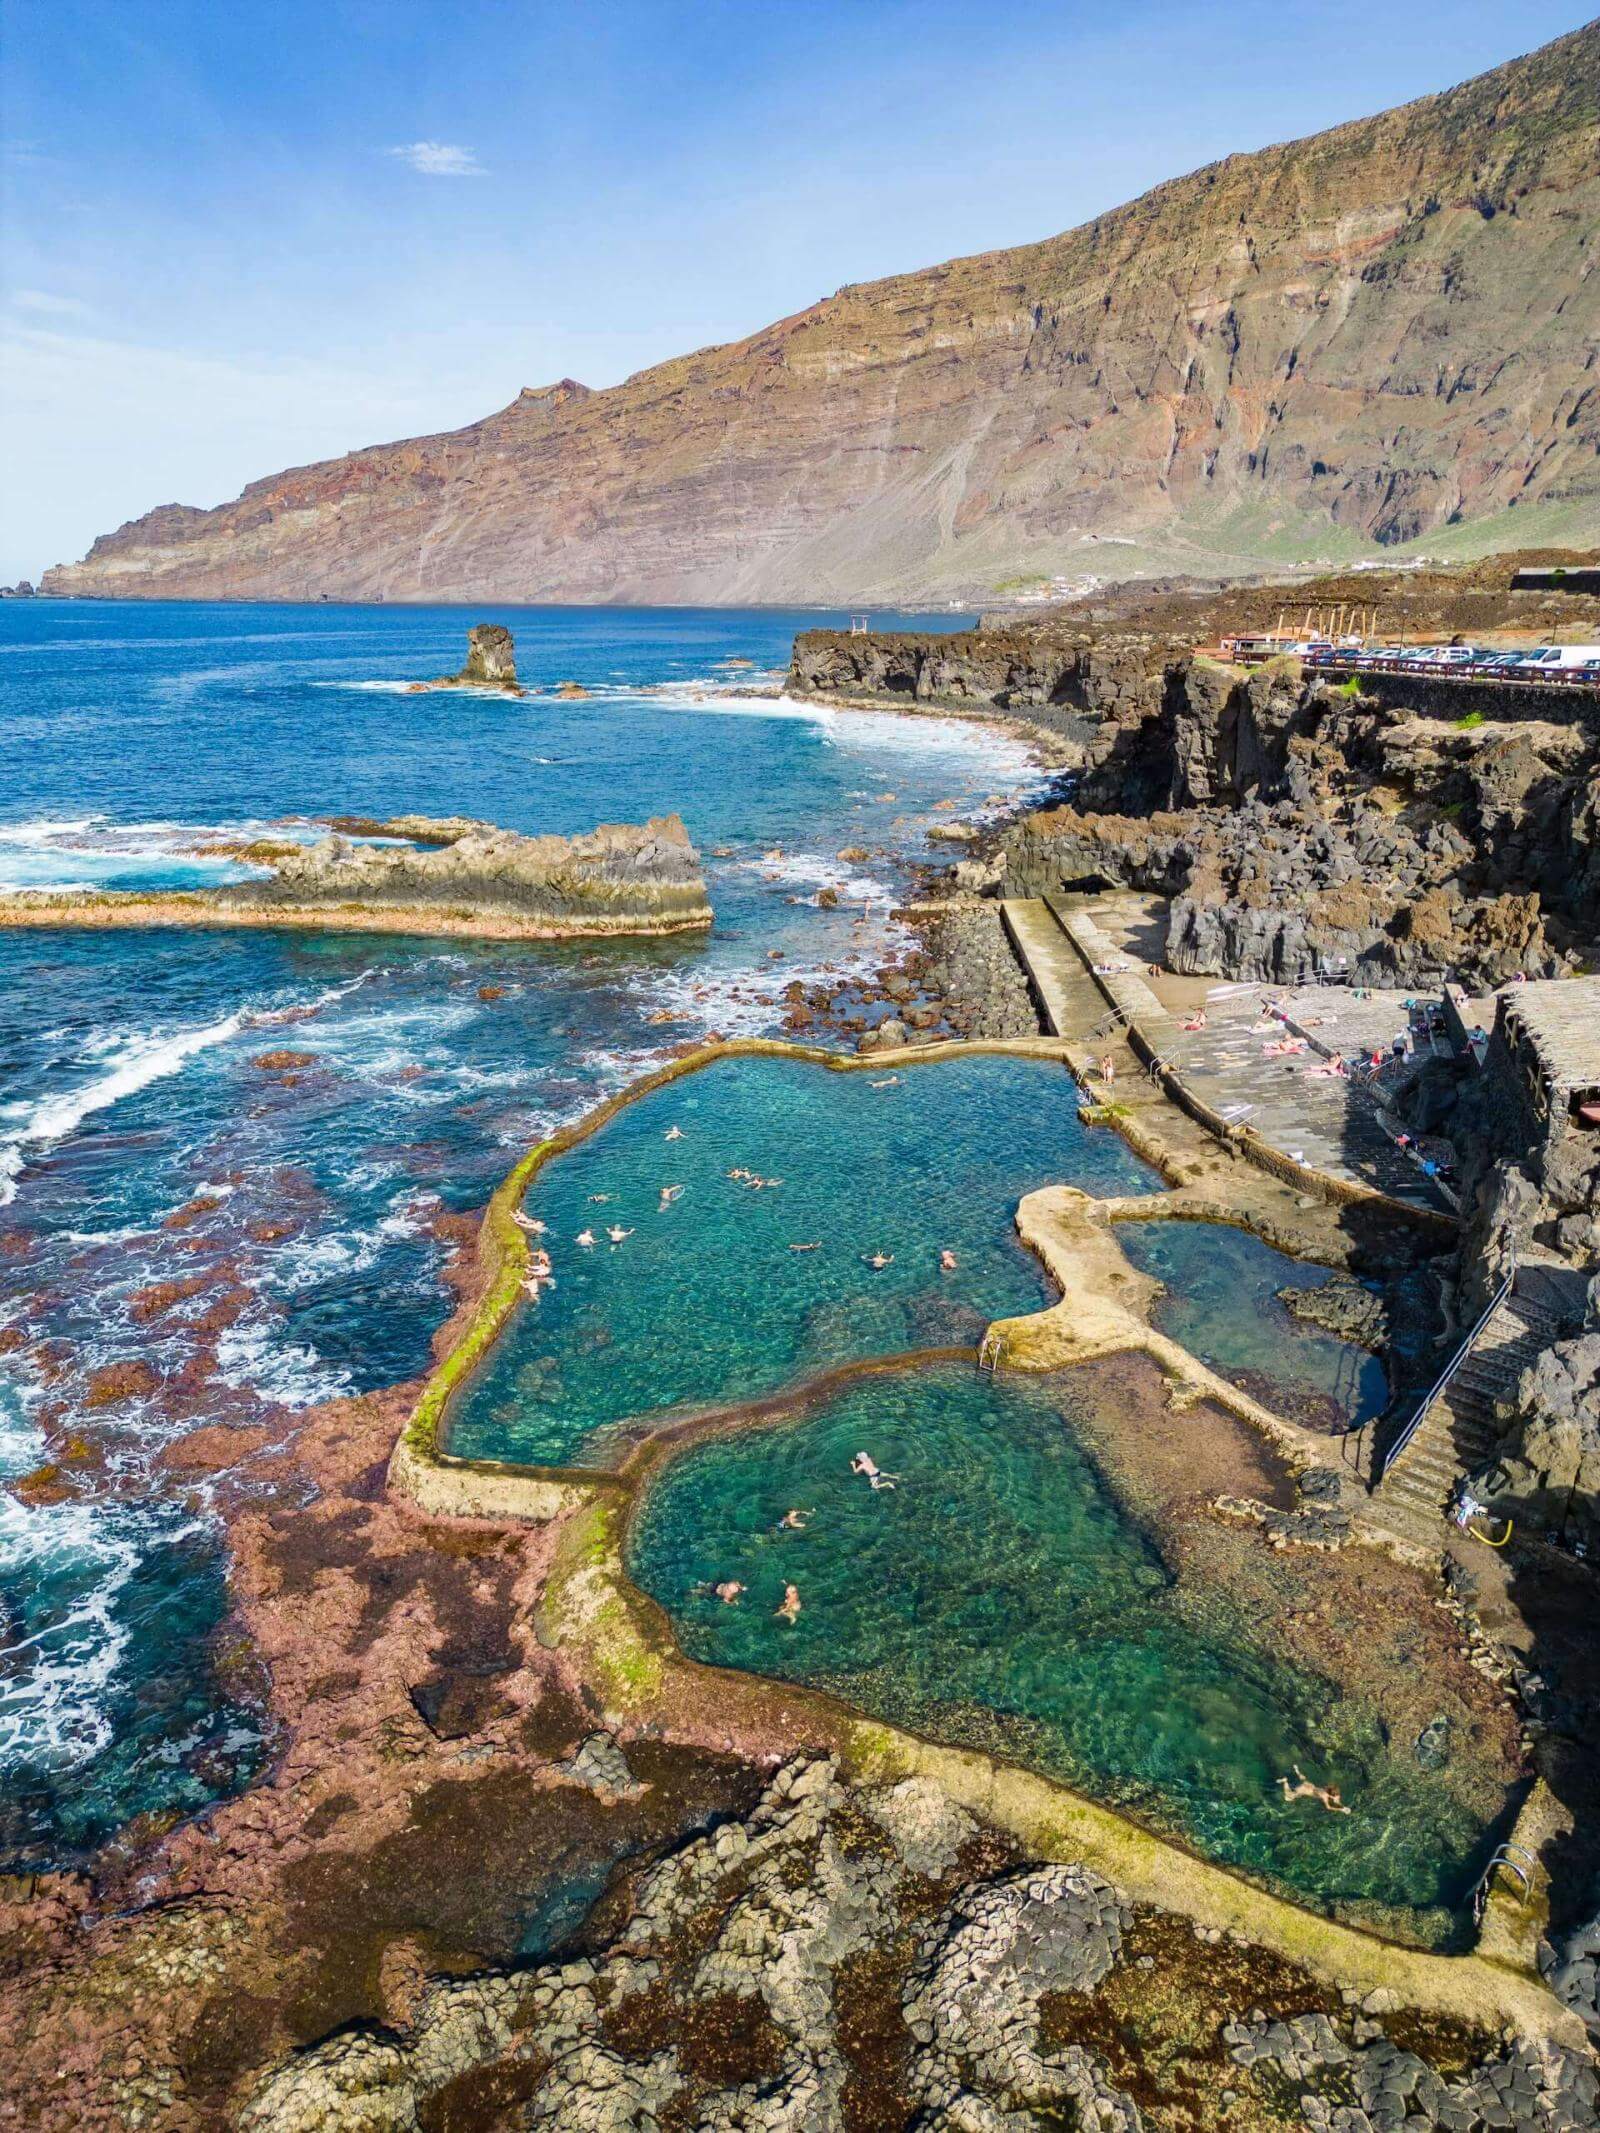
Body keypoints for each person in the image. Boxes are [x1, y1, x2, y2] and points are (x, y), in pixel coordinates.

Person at [1278, 1766, 1350, 1814]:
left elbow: (1335, 1800)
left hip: (1306, 1785)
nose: (1325, 1786)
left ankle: (1295, 1772)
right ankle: (1285, 1781)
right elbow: (1328, 1807)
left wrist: (1343, 1807)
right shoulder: (1324, 1796)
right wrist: (1342, 1809)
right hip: (1300, 1789)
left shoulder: (1327, 1792)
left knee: (1303, 1779)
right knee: (1288, 1797)